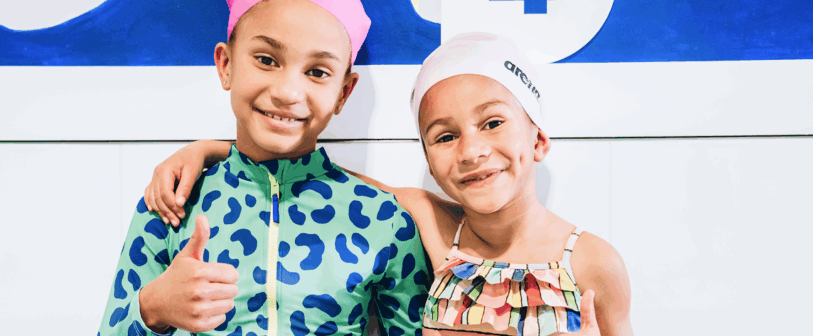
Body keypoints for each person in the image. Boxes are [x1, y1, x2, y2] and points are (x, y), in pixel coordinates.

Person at [146, 33, 632, 335]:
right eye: (445, 136)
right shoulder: (434, 225)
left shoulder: (591, 263)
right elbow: (326, 176)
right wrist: (213, 150)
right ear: (429, 159)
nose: (471, 150)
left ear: (540, 139)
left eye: (492, 123)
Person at [97, 0, 429, 336]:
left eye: (318, 72)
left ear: (343, 92)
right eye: (267, 60)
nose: (288, 92)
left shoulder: (385, 218)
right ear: (225, 64)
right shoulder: (171, 202)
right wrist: (152, 308)